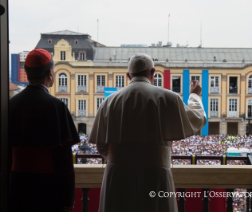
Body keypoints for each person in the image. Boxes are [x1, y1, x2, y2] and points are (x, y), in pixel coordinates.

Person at [89, 53, 206, 212]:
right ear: (152, 73)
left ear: (128, 75)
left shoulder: (108, 102)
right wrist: (194, 95)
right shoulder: (169, 98)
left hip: (118, 177)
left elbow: (101, 146)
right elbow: (198, 118)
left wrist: (124, 158)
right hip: (156, 175)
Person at [8, 49, 80, 212]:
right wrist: (68, 199)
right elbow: (64, 161)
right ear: (50, 74)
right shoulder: (57, 106)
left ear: (26, 74)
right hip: (49, 188)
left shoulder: (11, 104)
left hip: (18, 186)